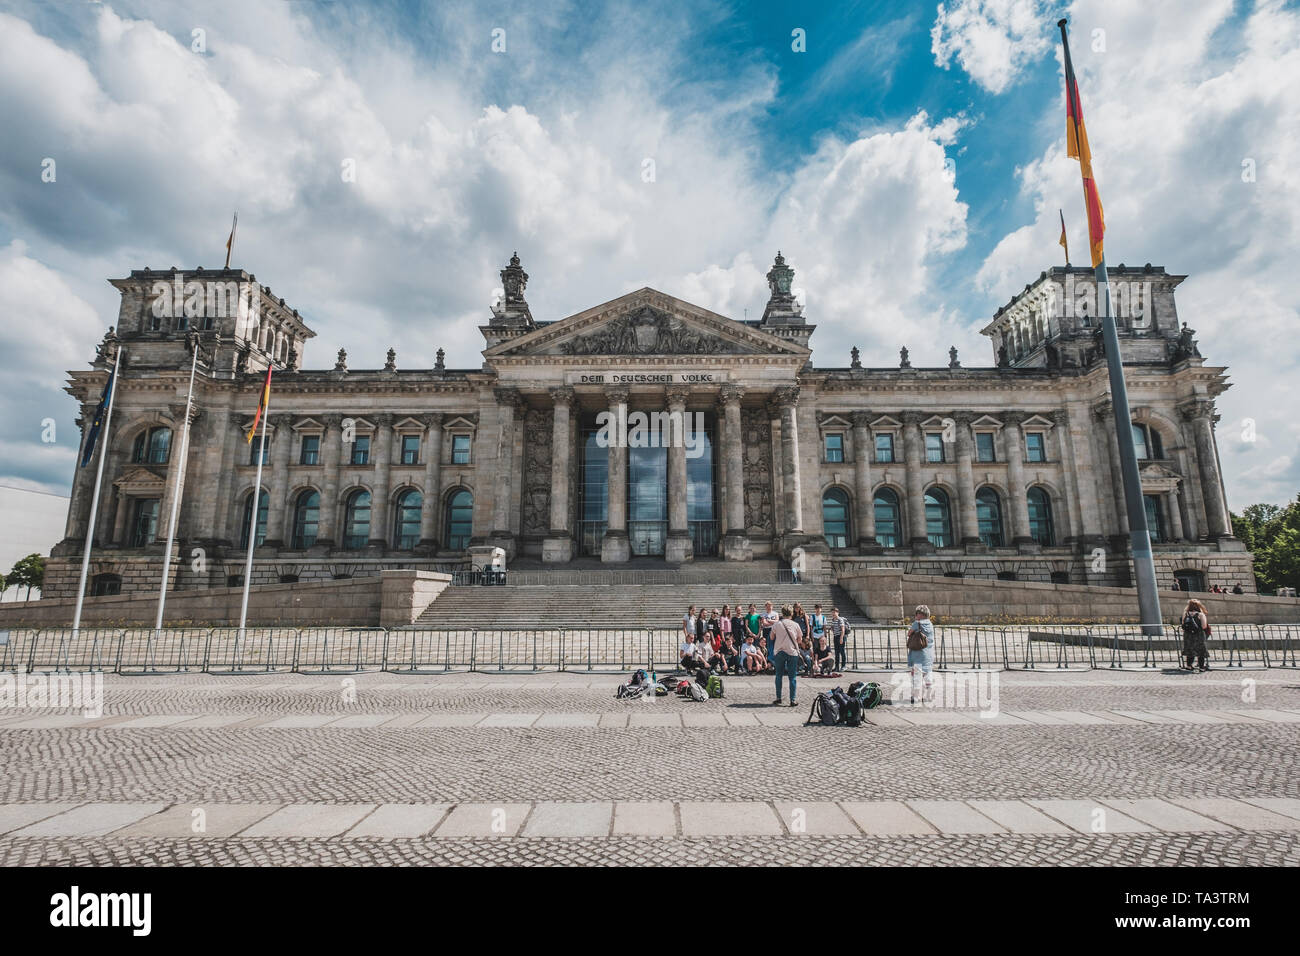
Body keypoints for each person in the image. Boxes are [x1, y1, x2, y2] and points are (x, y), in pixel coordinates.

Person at [769, 604, 802, 707]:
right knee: (792, 677)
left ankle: (778, 698)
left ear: (782, 613)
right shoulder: (795, 624)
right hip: (792, 652)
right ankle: (792, 699)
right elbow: (800, 639)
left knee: (779, 675)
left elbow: (771, 637)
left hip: (779, 651)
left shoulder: (776, 624)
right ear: (792, 613)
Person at [906, 604, 936, 704]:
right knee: (928, 675)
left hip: (918, 654)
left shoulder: (917, 623)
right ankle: (928, 696)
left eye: (916, 613)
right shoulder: (930, 624)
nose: (915, 615)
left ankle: (916, 697)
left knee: (917, 677)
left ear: (920, 614)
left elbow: (909, 633)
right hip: (929, 654)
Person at [1181, 599, 1210, 672]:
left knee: (1190, 650)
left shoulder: (1186, 614)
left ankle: (1189, 665)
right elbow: (1204, 626)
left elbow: (1183, 624)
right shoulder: (1200, 614)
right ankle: (1201, 667)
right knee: (1201, 651)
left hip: (1188, 634)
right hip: (1198, 634)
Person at [827, 606, 850, 672]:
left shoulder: (840, 619)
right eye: (832, 612)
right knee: (837, 652)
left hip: (841, 636)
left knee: (842, 651)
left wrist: (841, 638)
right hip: (835, 636)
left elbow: (843, 629)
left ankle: (843, 666)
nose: (833, 614)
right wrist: (831, 628)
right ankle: (836, 666)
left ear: (837, 613)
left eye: (834, 612)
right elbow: (833, 627)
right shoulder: (833, 620)